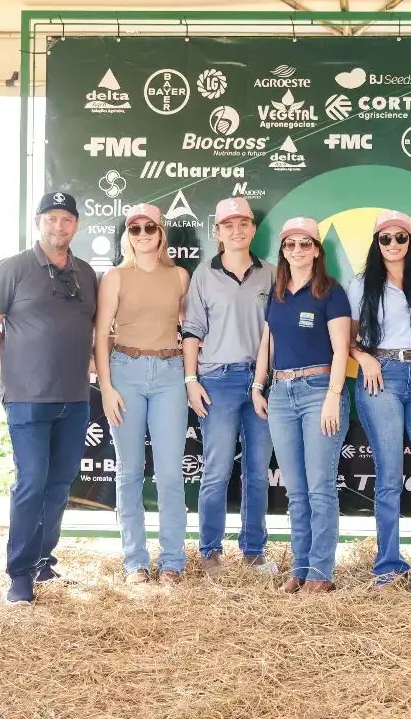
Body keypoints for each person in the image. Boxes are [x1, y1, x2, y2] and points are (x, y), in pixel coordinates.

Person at [0, 191, 98, 605]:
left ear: (76, 225)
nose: (58, 226)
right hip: (27, 399)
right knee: (31, 482)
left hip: (75, 398)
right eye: (51, 218)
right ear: (38, 222)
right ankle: (19, 573)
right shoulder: (12, 268)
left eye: (66, 219)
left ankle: (44, 560)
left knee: (59, 484)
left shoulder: (86, 273)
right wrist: (17, 367)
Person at [348, 210, 411, 597]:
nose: (393, 244)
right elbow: (347, 338)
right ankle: (388, 568)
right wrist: (365, 357)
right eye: (385, 238)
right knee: (389, 477)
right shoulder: (361, 285)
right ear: (377, 243)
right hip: (382, 376)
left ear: (410, 242)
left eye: (400, 237)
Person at [252, 217, 351, 594]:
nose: (297, 250)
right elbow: (268, 342)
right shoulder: (277, 292)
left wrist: (333, 397)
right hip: (281, 393)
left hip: (319, 391)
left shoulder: (331, 292)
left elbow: (341, 349)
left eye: (305, 243)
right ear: (283, 250)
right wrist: (258, 385)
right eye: (290, 244)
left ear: (317, 251)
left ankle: (320, 573)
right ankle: (300, 567)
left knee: (320, 488)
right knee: (296, 491)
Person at [94, 203, 190, 585]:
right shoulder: (114, 277)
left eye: (150, 227)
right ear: (127, 235)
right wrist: (106, 388)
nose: (143, 234)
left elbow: (190, 328)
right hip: (125, 372)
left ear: (161, 232)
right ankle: (135, 561)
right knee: (130, 471)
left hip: (170, 373)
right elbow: (101, 334)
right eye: (135, 228)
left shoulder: (180, 276)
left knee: (170, 474)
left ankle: (172, 562)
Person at [182, 197, 276, 577]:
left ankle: (254, 552)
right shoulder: (204, 274)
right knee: (217, 471)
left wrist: (263, 380)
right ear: (217, 231)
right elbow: (192, 330)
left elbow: (277, 331)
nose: (237, 231)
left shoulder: (271, 274)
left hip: (262, 382)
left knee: (258, 472)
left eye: (243, 223)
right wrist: (191, 380)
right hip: (217, 380)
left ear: (253, 228)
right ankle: (210, 553)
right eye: (228, 225)